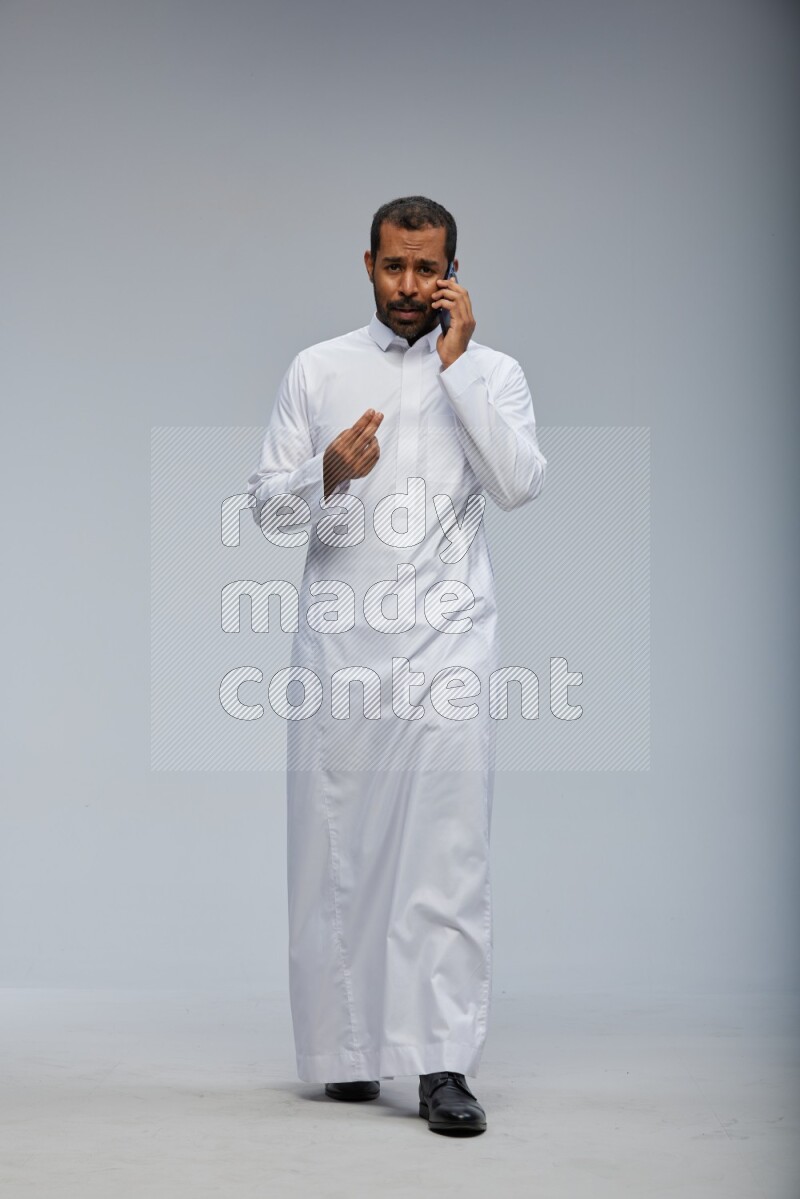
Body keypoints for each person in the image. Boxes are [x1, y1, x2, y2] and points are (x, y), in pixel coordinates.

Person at [246, 196, 547, 1136]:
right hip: (342, 648)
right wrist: (326, 472)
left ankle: (442, 1063)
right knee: (339, 849)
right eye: (394, 268)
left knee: (447, 856)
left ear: (455, 271)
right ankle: (345, 1051)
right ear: (367, 263)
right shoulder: (318, 370)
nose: (410, 289)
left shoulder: (494, 374)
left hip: (452, 647)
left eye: (429, 270)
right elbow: (266, 509)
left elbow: (518, 483)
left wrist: (455, 374)